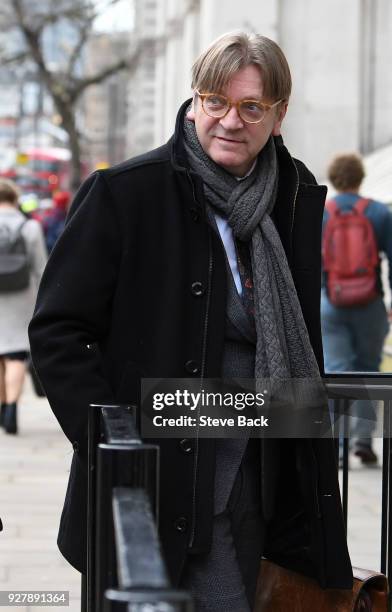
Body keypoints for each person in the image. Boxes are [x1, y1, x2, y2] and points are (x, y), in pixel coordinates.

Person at [29, 32, 352, 610]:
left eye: (251, 106)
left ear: (278, 115)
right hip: (159, 478)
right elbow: (57, 332)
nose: (230, 120)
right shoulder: (124, 193)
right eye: (215, 101)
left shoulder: (292, 194)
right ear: (194, 100)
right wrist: (113, 445)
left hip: (262, 472)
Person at [321, 153, 392, 465]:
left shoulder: (322, 212)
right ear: (361, 177)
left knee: (338, 373)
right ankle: (363, 443)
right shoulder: (378, 212)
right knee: (368, 371)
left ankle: (336, 448)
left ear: (334, 179)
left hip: (330, 303)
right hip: (370, 302)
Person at [0, 179, 47, 434]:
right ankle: (11, 409)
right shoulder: (29, 227)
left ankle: (2, 403)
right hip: (21, 296)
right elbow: (41, 266)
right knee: (16, 355)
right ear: (15, 199)